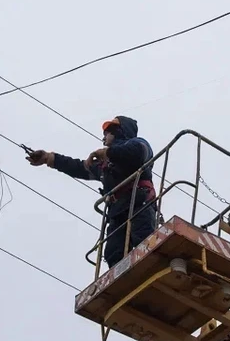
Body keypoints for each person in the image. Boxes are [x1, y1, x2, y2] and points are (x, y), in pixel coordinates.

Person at [26, 115, 158, 268]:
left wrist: (108, 153)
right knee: (114, 253)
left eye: (107, 133)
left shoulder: (138, 144)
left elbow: (137, 154)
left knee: (144, 240)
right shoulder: (105, 166)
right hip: (117, 212)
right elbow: (78, 167)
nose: (104, 138)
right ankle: (124, 283)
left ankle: (152, 268)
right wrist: (49, 158)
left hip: (139, 203)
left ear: (119, 130)